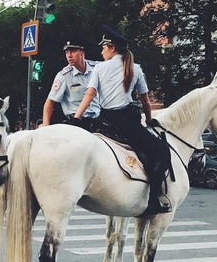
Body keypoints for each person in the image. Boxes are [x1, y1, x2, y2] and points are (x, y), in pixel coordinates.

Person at [73, 24, 171, 217]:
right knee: (160, 151)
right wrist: (149, 120)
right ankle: (152, 202)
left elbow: (90, 95)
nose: (101, 51)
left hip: (104, 121)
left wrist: (76, 118)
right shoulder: (135, 69)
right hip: (126, 122)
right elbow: (146, 102)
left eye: (103, 47)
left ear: (112, 48)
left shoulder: (100, 68)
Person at [41, 33, 100, 128]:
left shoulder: (96, 68)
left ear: (82, 52)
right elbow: (50, 101)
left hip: (97, 120)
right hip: (75, 122)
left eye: (72, 51)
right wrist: (45, 125)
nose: (69, 56)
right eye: (67, 52)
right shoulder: (63, 76)